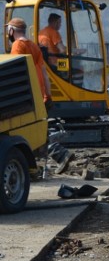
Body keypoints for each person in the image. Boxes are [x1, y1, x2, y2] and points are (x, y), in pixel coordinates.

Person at [8, 17, 73, 172]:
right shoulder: (34, 46)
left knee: (24, 129)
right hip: (38, 93)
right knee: (37, 127)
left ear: (11, 31)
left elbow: (16, 71)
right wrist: (48, 95)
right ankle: (53, 158)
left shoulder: (18, 45)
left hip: (26, 94)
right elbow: (44, 73)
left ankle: (59, 154)